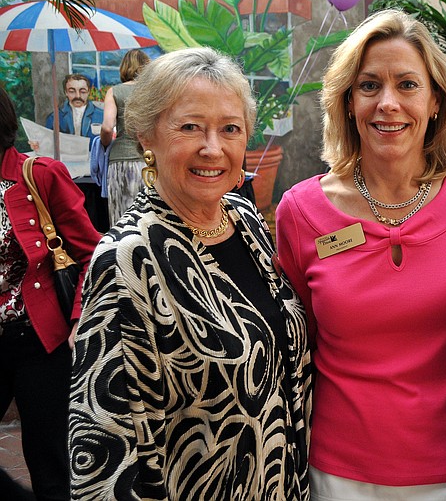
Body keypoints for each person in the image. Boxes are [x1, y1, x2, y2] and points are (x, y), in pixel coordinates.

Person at [68, 47, 311, 500]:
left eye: (230, 129)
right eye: (189, 127)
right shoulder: (126, 259)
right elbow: (104, 452)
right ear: (146, 136)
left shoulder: (244, 219)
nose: (213, 148)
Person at [276, 9, 446, 500]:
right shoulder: (300, 211)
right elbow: (297, 344)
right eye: (370, 86)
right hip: (337, 473)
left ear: (436, 101)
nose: (388, 104)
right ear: (348, 101)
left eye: (408, 85)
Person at [0, 85, 100, 500]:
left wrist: (79, 318)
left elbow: (93, 252)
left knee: (51, 467)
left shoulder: (37, 175)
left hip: (37, 340)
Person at [96, 49, 151, 225]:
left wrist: (105, 144)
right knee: (148, 215)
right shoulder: (153, 93)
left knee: (121, 217)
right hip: (149, 161)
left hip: (119, 161)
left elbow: (106, 127)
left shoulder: (115, 92)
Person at [44, 74, 103, 140]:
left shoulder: (101, 115)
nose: (78, 96)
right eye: (72, 91)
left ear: (88, 92)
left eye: (82, 92)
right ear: (66, 92)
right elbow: (47, 140)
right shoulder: (54, 117)